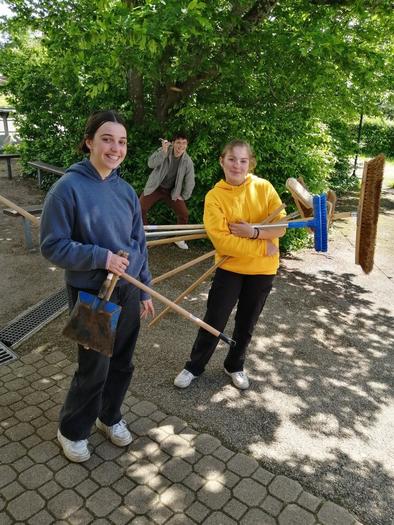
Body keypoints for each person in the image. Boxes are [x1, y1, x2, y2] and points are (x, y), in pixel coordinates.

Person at [40, 110, 155, 462]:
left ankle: (109, 416)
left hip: (128, 289)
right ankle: (72, 429)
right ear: (89, 141)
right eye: (107, 139)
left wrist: (145, 288)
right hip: (92, 293)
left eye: (121, 141)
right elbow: (52, 246)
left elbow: (139, 243)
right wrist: (101, 258)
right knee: (93, 369)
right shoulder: (67, 189)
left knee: (122, 362)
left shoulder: (125, 190)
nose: (115, 148)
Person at [174, 139, 286, 390]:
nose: (237, 165)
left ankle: (235, 364)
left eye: (243, 160)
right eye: (232, 159)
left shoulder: (264, 188)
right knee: (214, 319)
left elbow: (280, 227)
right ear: (222, 161)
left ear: (250, 163)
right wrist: (263, 244)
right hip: (229, 268)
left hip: (263, 271)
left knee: (247, 323)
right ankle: (194, 366)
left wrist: (252, 232)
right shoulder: (214, 197)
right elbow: (223, 243)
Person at [139, 133, 195, 249]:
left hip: (172, 191)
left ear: (187, 145)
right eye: (178, 142)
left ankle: (179, 239)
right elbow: (150, 164)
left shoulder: (187, 161)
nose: (181, 146)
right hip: (156, 187)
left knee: (184, 214)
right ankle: (144, 235)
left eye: (184, 143)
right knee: (140, 207)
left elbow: (190, 181)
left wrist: (184, 196)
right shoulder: (164, 150)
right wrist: (163, 152)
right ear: (173, 143)